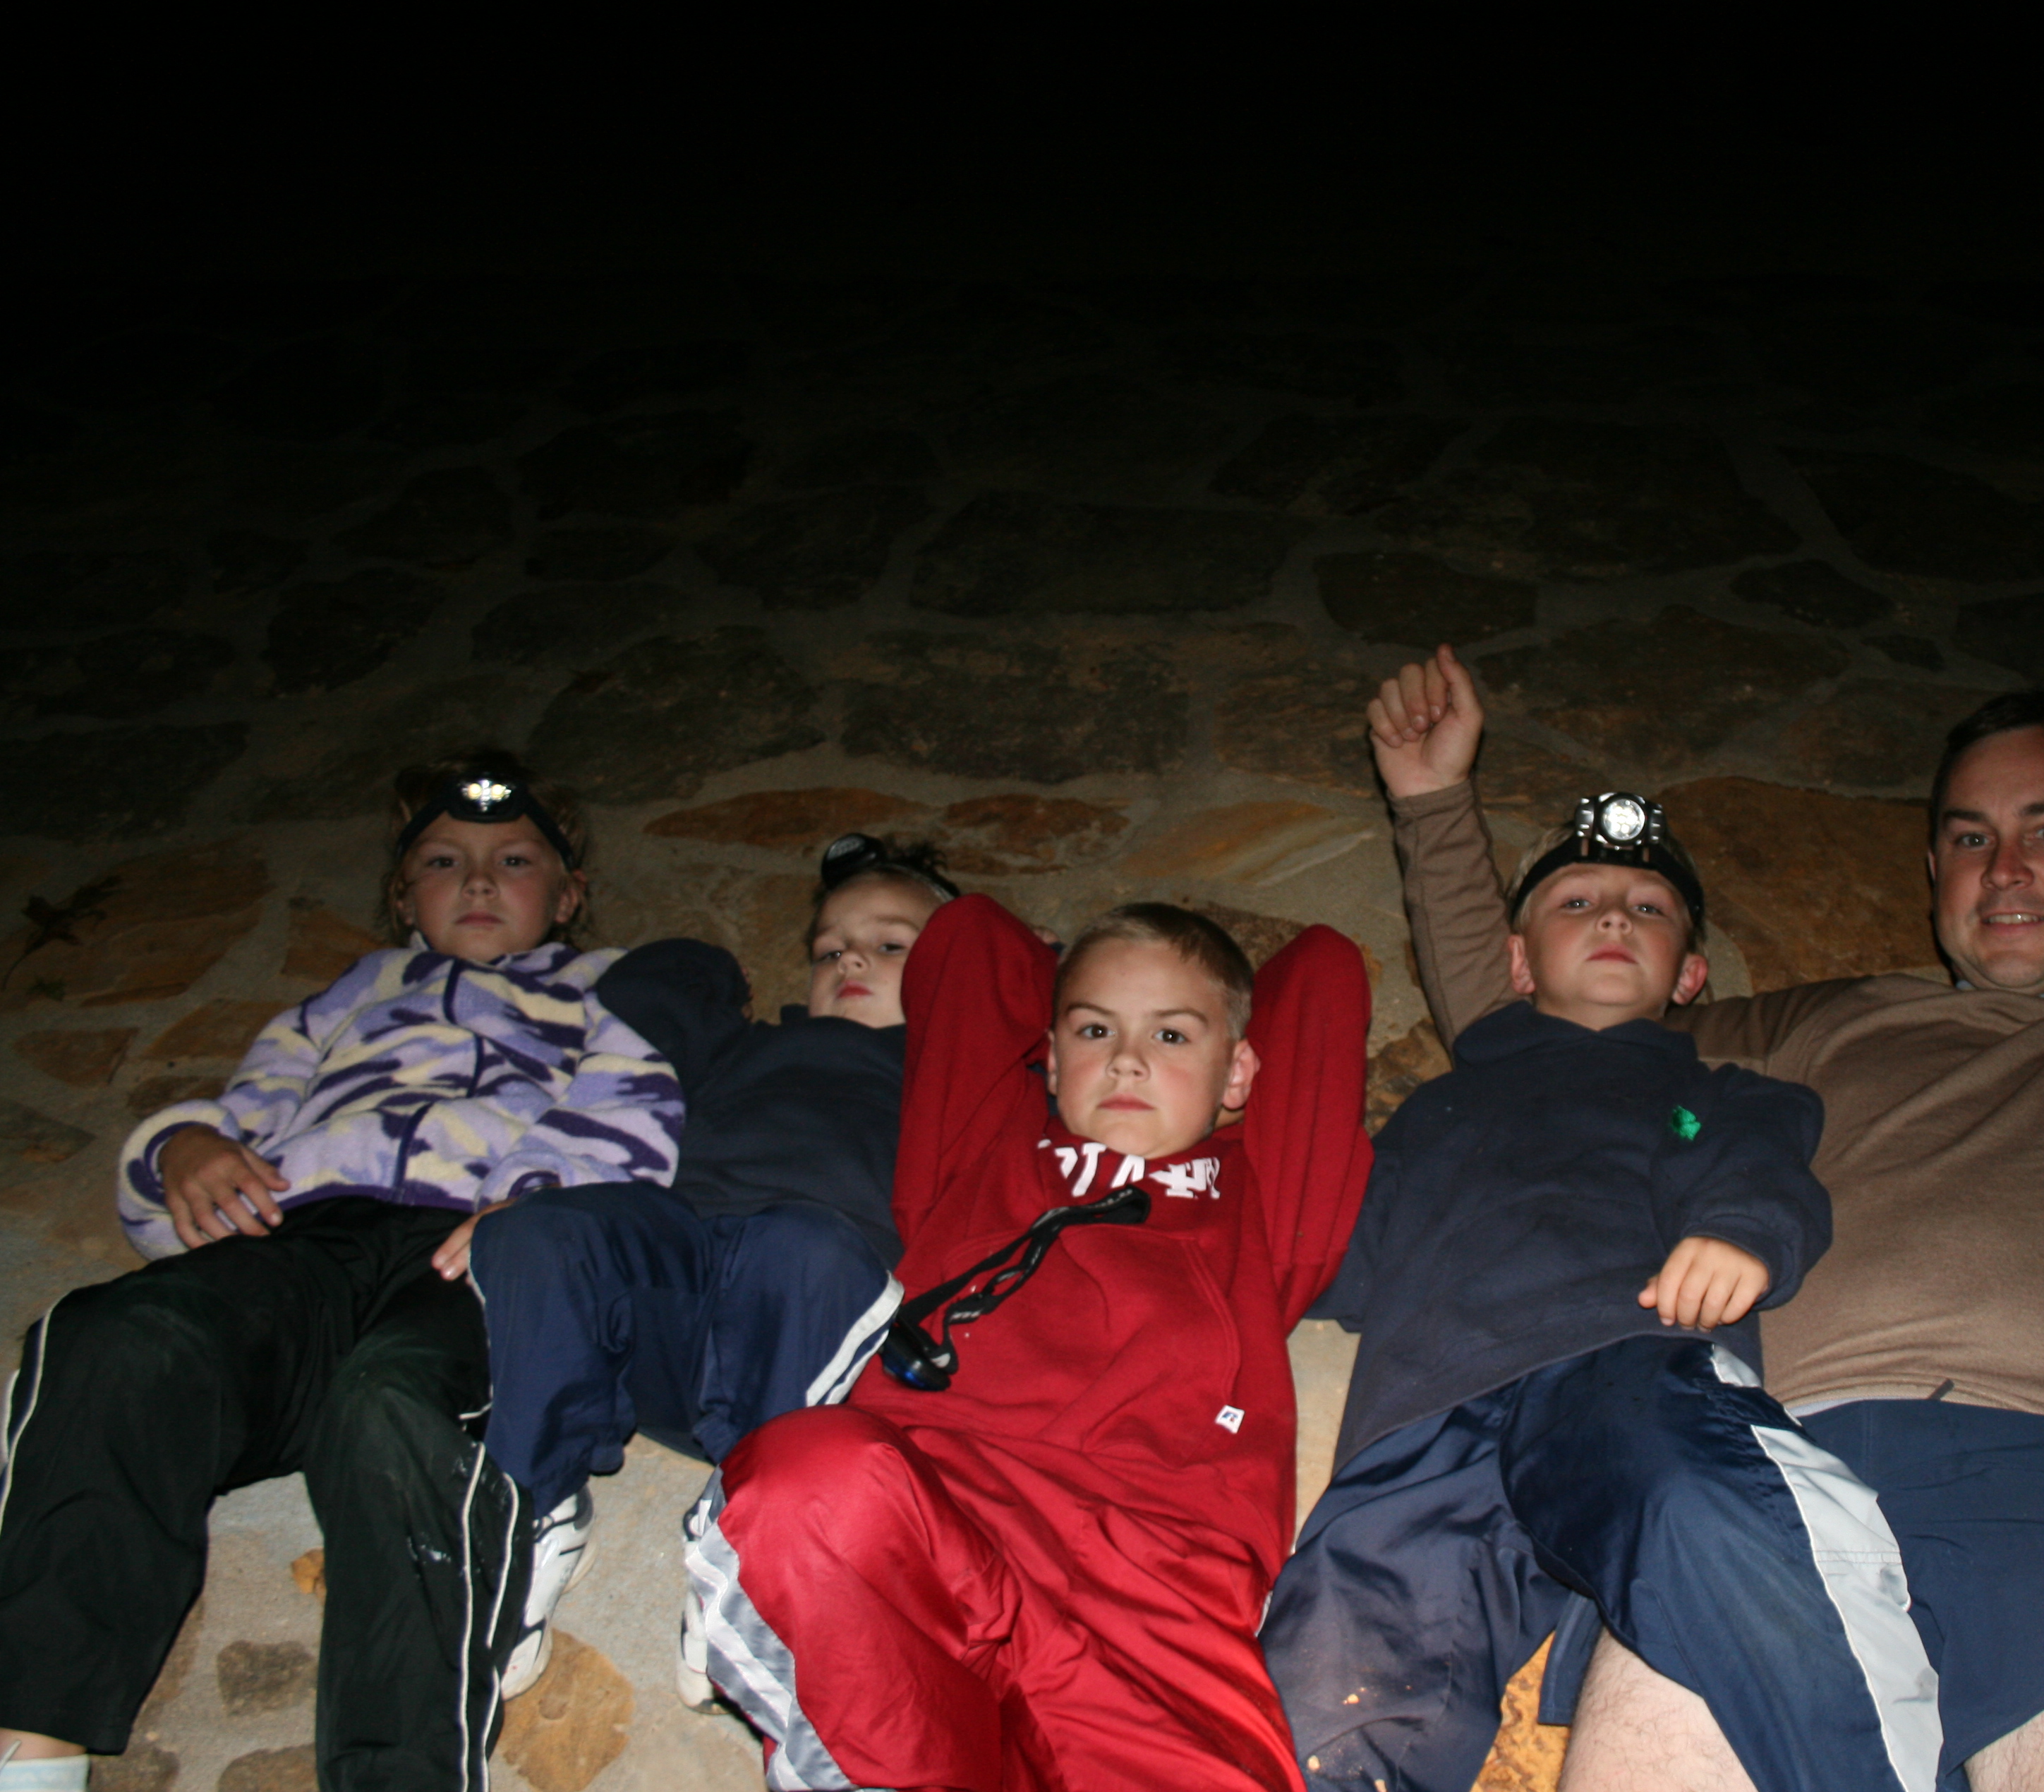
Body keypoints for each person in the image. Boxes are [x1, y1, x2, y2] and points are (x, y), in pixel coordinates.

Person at [1369, 648, 2044, 1792]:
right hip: (1762, 1475)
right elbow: (1536, 1044)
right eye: (1970, 839)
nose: (2005, 868)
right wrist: (1433, 801)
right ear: (1933, 871)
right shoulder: (1810, 1025)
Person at [0, 752, 683, 1792]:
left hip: (470, 1244)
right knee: (116, 1335)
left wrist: (542, 1206)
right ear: (404, 898)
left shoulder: (609, 988)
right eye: (444, 862)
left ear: (568, 896)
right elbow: (238, 1120)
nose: (480, 881)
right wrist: (184, 1147)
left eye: (514, 861)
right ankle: (29, 1739)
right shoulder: (351, 996)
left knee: (393, 1406)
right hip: (303, 1239)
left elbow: (636, 1110)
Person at [1264, 791, 1939, 1792]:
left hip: (1627, 1361)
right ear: (1519, 962)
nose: (1615, 917)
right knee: (1333, 1672)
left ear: (1690, 974)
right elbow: (1336, 1256)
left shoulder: (1720, 1095)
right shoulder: (1436, 1109)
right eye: (1578, 902)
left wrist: (1740, 1234)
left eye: (1648, 909)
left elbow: (1761, 1171)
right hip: (1422, 1414)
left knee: (1717, 1514)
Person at [686, 895, 1372, 1791]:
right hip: (936, 1518)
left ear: (1240, 1071)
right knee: (804, 1473)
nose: (1126, 1058)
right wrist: (1076, 978)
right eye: (1094, 1030)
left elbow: (1322, 967)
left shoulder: (1263, 1201)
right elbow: (969, 936)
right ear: (1047, 1057)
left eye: (1171, 1036)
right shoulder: (981, 1156)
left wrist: (1189, 1009)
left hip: (1154, 1590)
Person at [466, 833, 961, 1698]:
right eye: (829, 949)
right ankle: (535, 1509)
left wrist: (995, 983)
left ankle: (747, 1547)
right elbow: (639, 990)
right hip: (675, 1290)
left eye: (891, 945)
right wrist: (714, 971)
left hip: (803, 1331)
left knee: (801, 1245)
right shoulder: (745, 1046)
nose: (850, 959)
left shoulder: (953, 1072)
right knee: (538, 1229)